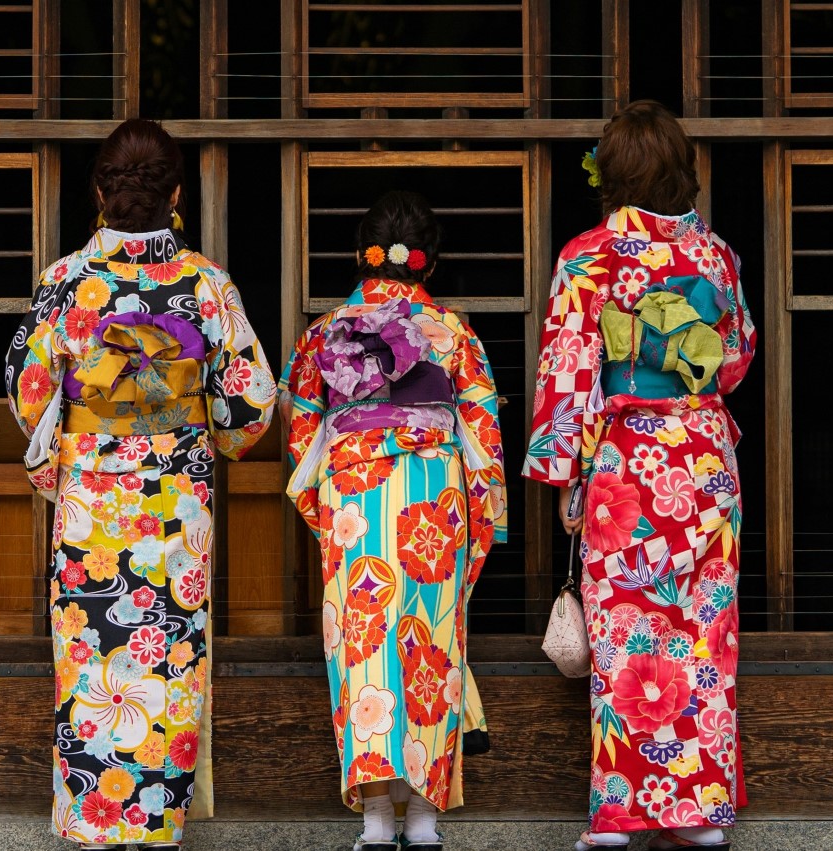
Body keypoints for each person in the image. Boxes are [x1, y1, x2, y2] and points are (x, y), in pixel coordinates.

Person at [6, 118, 276, 850]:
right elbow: (248, 408)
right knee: (167, 664)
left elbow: (30, 392)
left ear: (99, 191)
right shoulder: (205, 285)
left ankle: (92, 820)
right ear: (177, 194)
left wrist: (57, 459)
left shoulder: (64, 282)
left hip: (92, 507)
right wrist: (204, 426)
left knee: (91, 664)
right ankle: (156, 824)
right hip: (172, 510)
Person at [523, 100, 756, 851]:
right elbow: (738, 356)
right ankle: (699, 814)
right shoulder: (715, 256)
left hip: (630, 462)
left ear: (611, 174)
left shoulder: (588, 255)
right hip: (705, 458)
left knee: (626, 634)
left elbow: (568, 370)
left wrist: (566, 475)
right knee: (703, 634)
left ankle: (622, 813)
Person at [283, 191, 508, 851]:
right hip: (433, 496)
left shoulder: (326, 333)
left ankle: (376, 822)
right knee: (430, 643)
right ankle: (426, 820)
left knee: (363, 646)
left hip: (354, 497)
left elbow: (302, 432)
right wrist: (480, 512)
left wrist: (325, 506)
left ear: (362, 256)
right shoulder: (453, 332)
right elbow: (485, 435)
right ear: (427, 264)